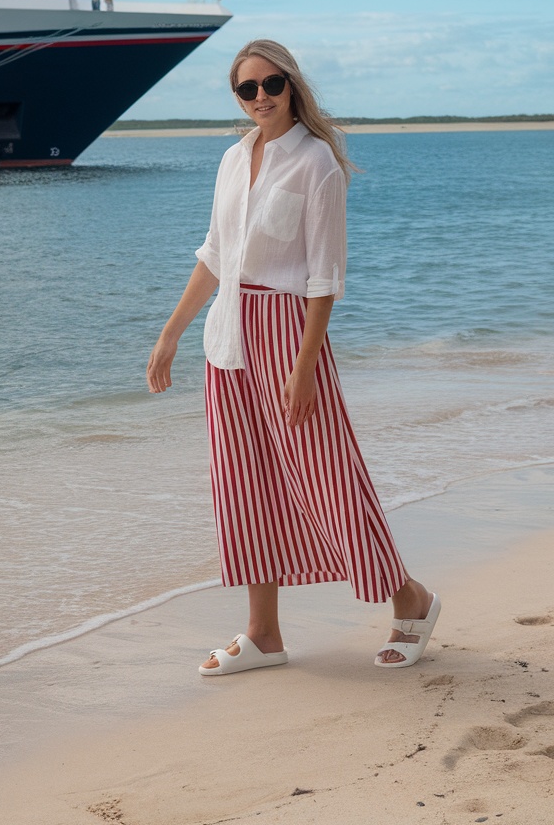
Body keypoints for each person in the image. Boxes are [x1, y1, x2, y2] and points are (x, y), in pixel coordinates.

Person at [147, 39, 440, 677]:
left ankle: (411, 600)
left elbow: (324, 278)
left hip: (288, 339)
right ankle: (264, 635)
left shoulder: (316, 166)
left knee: (329, 480)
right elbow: (214, 255)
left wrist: (304, 367)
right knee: (245, 487)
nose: (260, 99)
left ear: (292, 86)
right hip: (227, 340)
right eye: (246, 89)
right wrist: (171, 333)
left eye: (271, 85)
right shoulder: (231, 159)